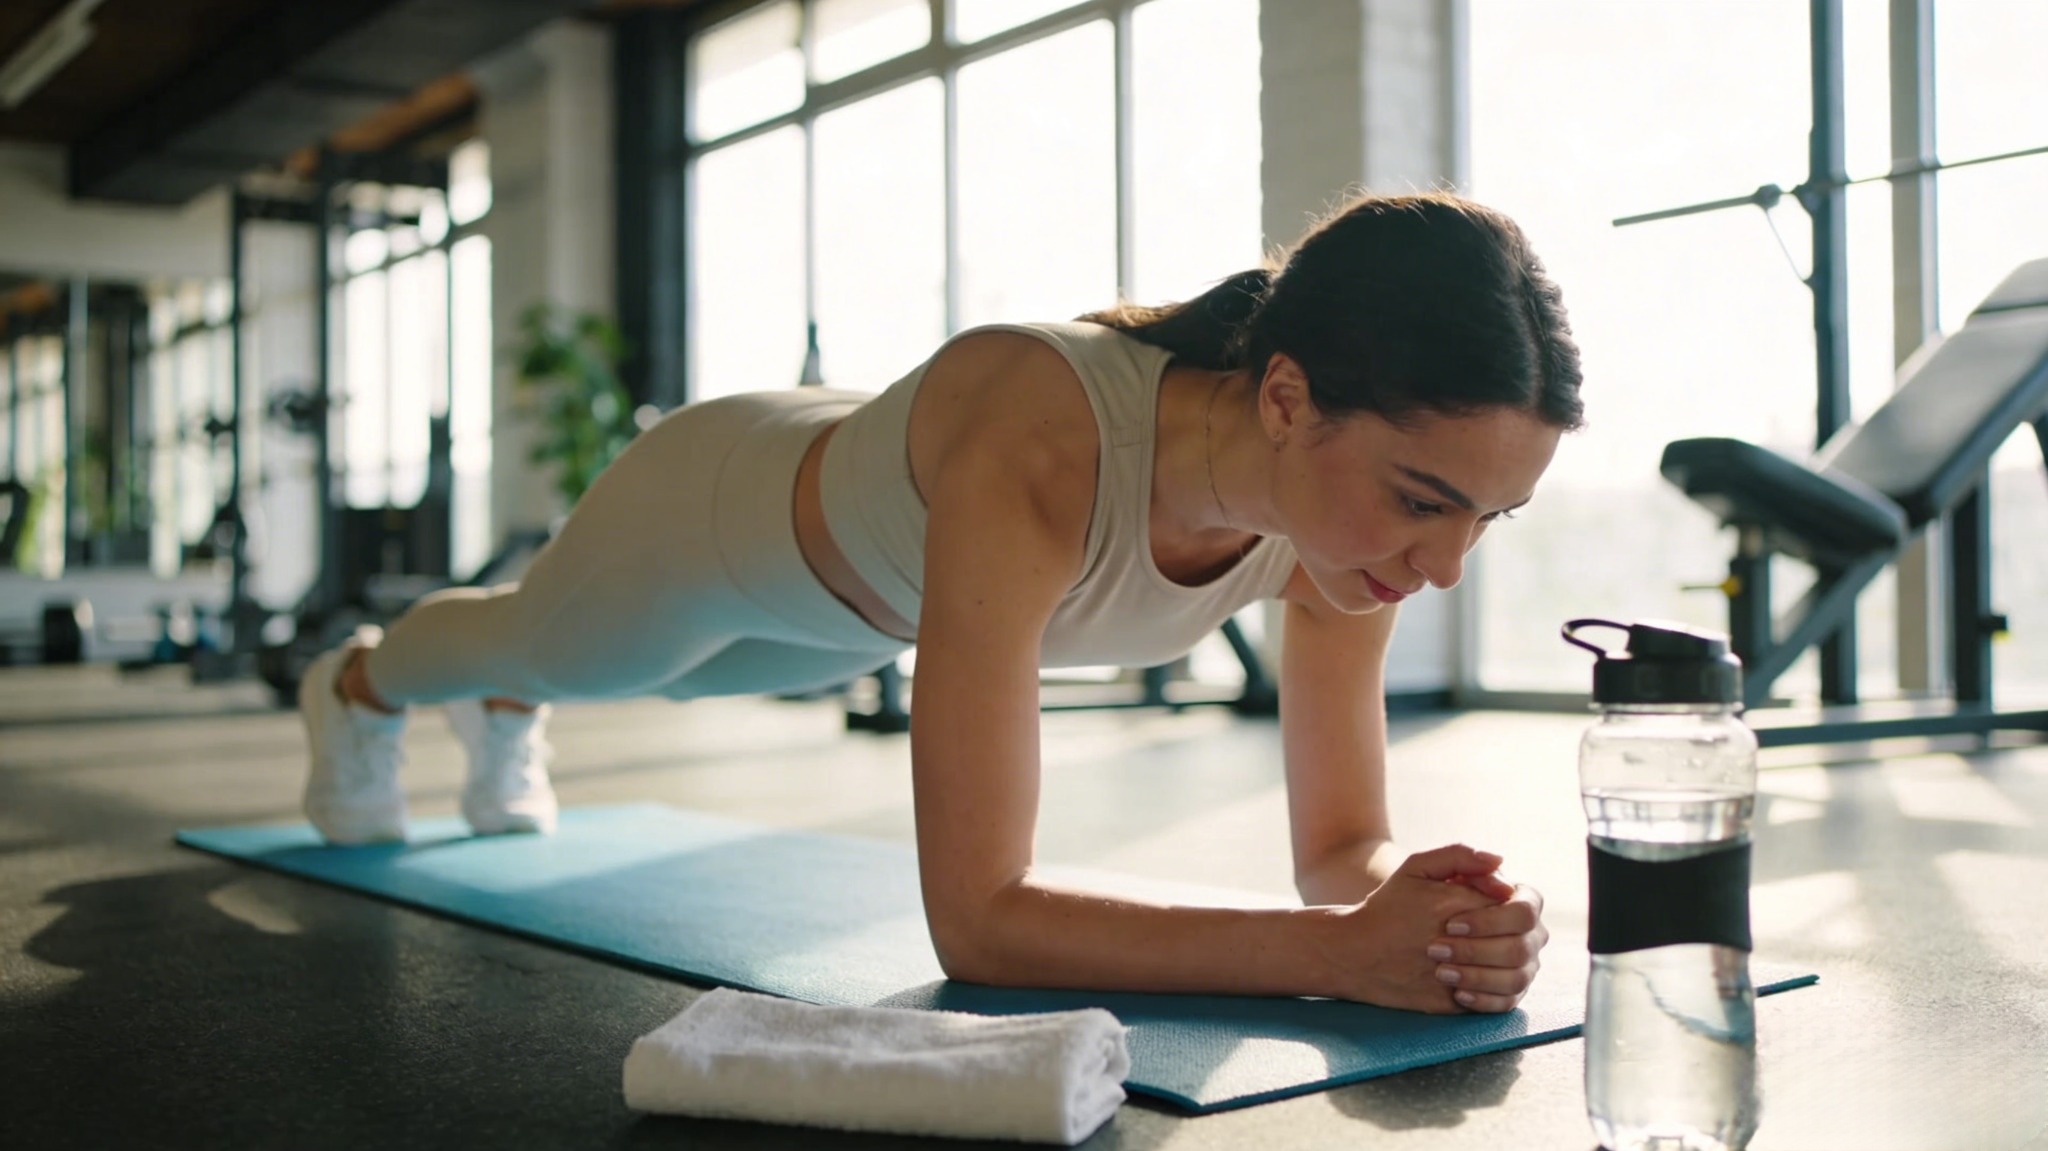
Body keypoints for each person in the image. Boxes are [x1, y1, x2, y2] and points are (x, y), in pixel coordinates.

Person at [298, 190, 1581, 1016]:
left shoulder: (1346, 541)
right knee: (547, 646)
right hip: (710, 517)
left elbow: (1338, 850)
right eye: (1422, 499)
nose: (1444, 566)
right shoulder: (1045, 433)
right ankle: (356, 683)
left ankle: (506, 702)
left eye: (1487, 517)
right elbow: (979, 919)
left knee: (651, 677)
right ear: (1288, 399)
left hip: (849, 619)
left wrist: (1427, 911)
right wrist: (1333, 953)